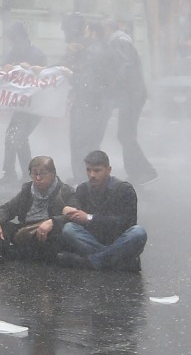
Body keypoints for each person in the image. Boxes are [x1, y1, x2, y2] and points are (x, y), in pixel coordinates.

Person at [0, 156, 78, 265]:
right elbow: (7, 208)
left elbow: (75, 216)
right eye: (34, 173)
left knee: (56, 238)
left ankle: (14, 254)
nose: (38, 178)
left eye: (43, 173)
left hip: (48, 233)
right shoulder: (27, 191)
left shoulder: (65, 191)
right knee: (5, 227)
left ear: (53, 174)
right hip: (26, 231)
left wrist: (53, 222)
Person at [57, 150, 148, 271]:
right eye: (89, 170)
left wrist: (90, 218)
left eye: (97, 170)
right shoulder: (83, 189)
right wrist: (68, 210)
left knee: (138, 233)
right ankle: (116, 260)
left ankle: (94, 261)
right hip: (93, 240)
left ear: (109, 170)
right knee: (69, 229)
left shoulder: (124, 189)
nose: (92, 175)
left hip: (118, 238)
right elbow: (76, 217)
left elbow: (127, 222)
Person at [103, 20, 158, 185]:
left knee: (125, 134)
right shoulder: (122, 41)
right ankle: (135, 172)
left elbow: (125, 66)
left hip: (131, 94)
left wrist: (113, 87)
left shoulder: (118, 41)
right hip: (132, 93)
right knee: (125, 134)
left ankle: (146, 171)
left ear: (108, 29)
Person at [62, 17, 117, 179]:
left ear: (92, 33)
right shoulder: (104, 48)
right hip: (102, 103)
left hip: (89, 103)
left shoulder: (93, 51)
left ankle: (81, 178)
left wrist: (71, 75)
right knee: (93, 142)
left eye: (86, 31)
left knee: (80, 142)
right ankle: (94, 178)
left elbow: (89, 80)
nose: (83, 34)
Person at [0, 23, 48, 184]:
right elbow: (1, 67)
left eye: (13, 39)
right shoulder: (13, 51)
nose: (12, 43)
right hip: (21, 105)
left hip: (35, 105)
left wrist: (33, 69)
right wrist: (6, 67)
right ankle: (14, 172)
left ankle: (20, 173)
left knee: (17, 137)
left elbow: (46, 76)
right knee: (13, 137)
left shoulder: (37, 54)